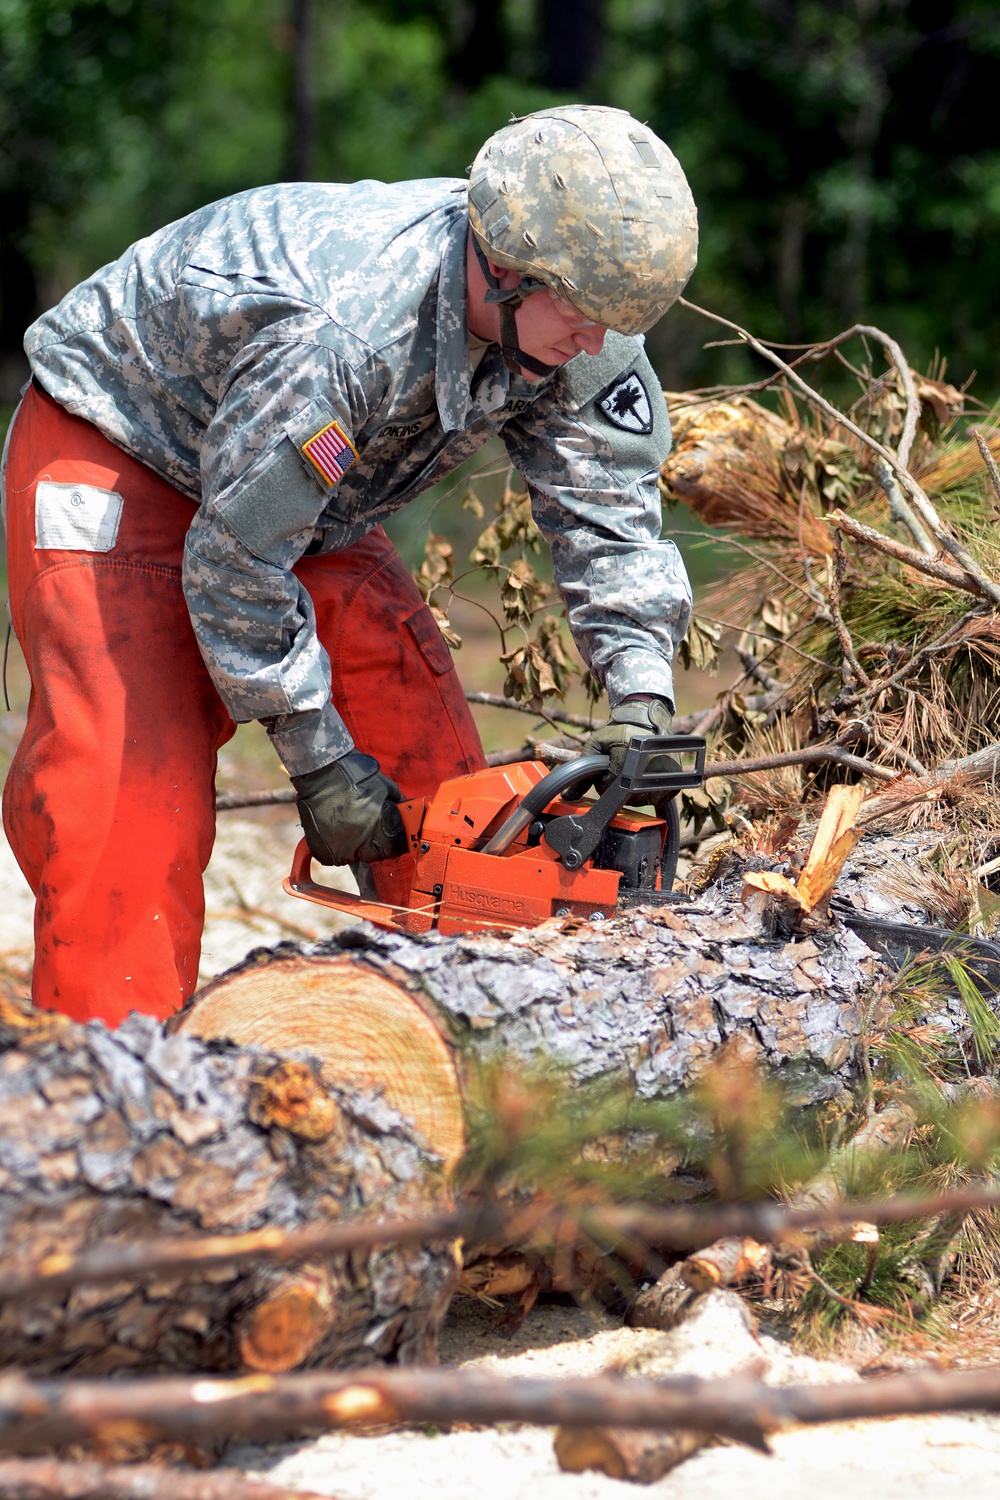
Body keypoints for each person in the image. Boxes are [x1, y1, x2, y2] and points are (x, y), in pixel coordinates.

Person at [1, 104, 697, 1026]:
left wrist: (641, 693)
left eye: (623, 321)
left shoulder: (584, 304)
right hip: (124, 453)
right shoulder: (345, 332)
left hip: (296, 495)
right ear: (506, 267)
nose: (601, 342)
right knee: (136, 796)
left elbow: (609, 508)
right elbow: (238, 557)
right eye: (587, 318)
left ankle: (462, 1021)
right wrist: (318, 759)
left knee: (416, 717)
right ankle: (116, 1085)